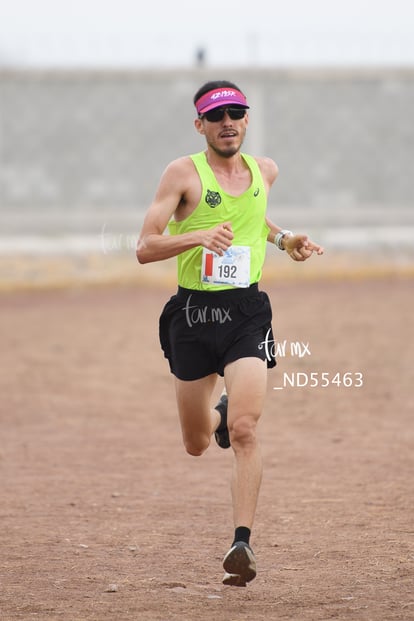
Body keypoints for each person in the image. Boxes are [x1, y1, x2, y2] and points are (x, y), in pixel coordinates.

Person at [136, 80, 323, 587]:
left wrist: (284, 239)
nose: (228, 123)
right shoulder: (183, 174)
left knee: (245, 430)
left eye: (236, 113)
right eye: (217, 117)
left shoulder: (265, 171)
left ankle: (242, 543)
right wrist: (196, 234)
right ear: (200, 125)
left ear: (246, 120)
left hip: (246, 313)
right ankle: (214, 417)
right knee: (197, 443)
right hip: (193, 316)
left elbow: (250, 219)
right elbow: (145, 247)